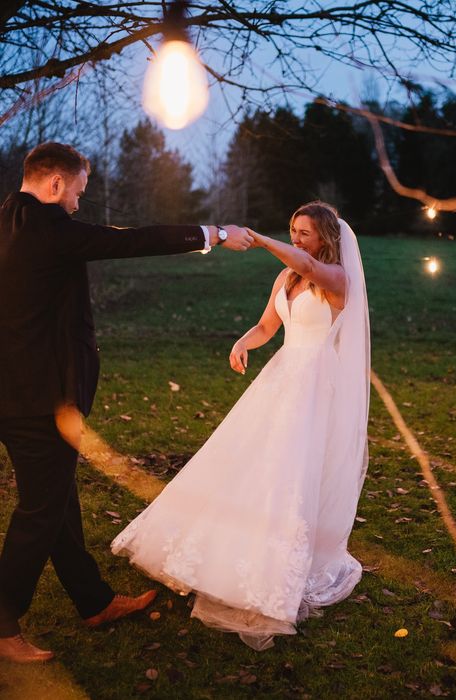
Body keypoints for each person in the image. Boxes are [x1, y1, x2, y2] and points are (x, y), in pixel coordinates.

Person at [0, 142, 254, 663]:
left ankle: (93, 602)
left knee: (57, 504)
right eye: (77, 192)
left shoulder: (6, 219)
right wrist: (216, 234)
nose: (77, 203)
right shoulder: (51, 230)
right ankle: (3, 622)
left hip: (13, 392)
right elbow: (134, 241)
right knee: (40, 511)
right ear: (54, 185)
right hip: (39, 399)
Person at [112, 201, 370, 650]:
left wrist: (263, 240)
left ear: (325, 236)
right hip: (283, 377)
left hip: (315, 386)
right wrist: (243, 341)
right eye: (292, 230)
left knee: (291, 472)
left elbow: (308, 263)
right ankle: (225, 547)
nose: (296, 238)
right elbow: (268, 324)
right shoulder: (287, 277)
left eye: (304, 231)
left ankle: (276, 567)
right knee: (250, 461)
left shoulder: (336, 279)